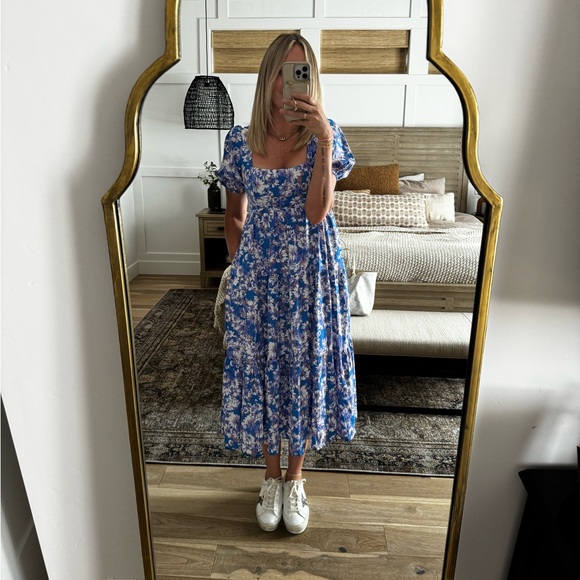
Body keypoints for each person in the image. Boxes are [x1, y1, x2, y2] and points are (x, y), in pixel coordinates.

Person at [216, 33, 356, 535]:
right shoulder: (240, 140)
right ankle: (269, 477)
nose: (288, 83)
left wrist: (323, 140)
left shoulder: (325, 136)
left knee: (301, 367)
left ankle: (295, 479)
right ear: (268, 76)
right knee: (260, 366)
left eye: (300, 72)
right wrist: (241, 269)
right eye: (282, 71)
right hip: (258, 273)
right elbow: (234, 215)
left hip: (311, 271)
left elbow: (318, 212)